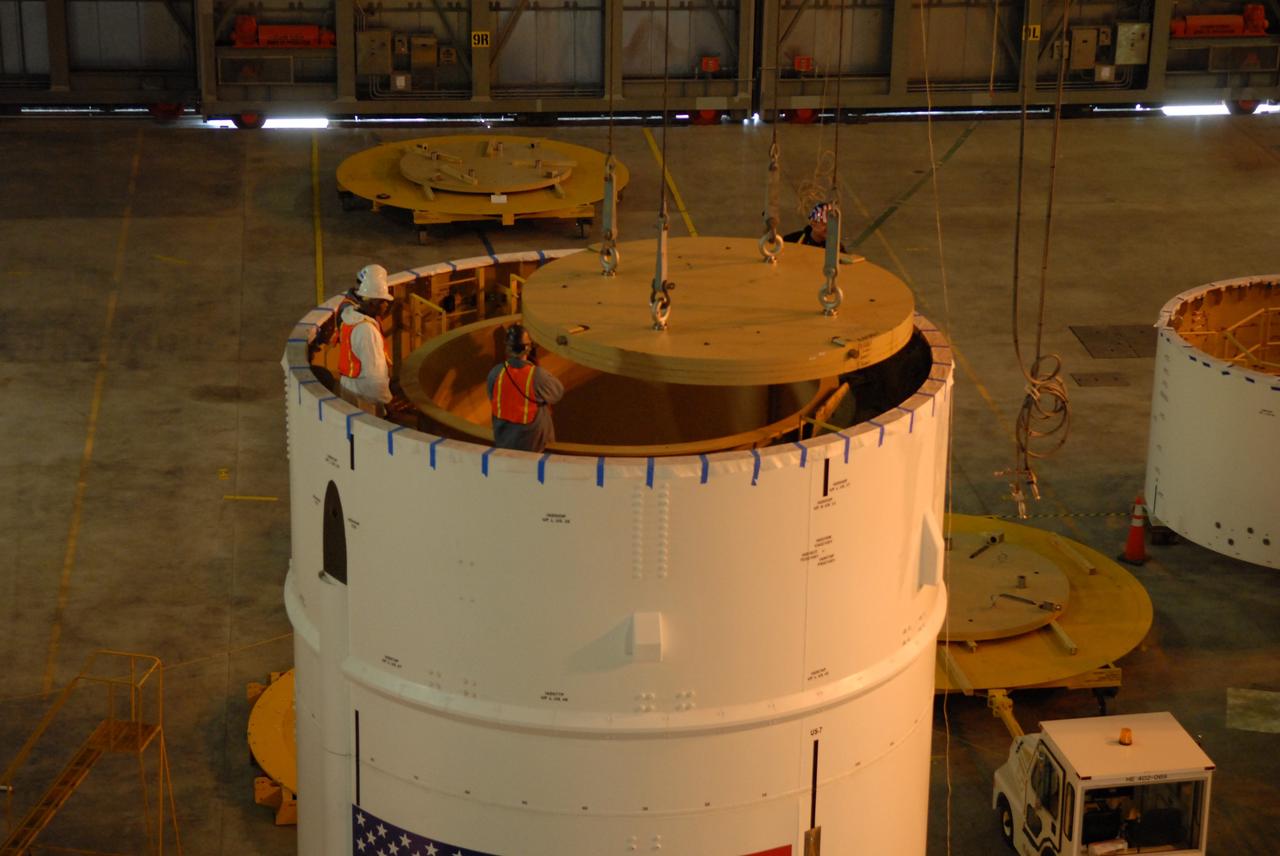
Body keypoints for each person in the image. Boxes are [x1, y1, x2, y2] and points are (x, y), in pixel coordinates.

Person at [486, 323, 564, 452]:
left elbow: (492, 397)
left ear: (507, 348)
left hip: (504, 444)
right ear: (528, 348)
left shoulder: (495, 373)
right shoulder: (537, 375)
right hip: (532, 447)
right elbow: (557, 392)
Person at [337, 263, 395, 416]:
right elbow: (374, 377)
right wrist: (387, 402)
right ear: (373, 302)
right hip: (364, 396)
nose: (386, 306)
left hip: (351, 389)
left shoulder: (350, 316)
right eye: (383, 301)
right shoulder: (366, 331)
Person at [783, 202, 848, 251]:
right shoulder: (792, 240)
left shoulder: (837, 249)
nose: (828, 228)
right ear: (813, 222)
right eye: (824, 223)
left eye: (831, 225)